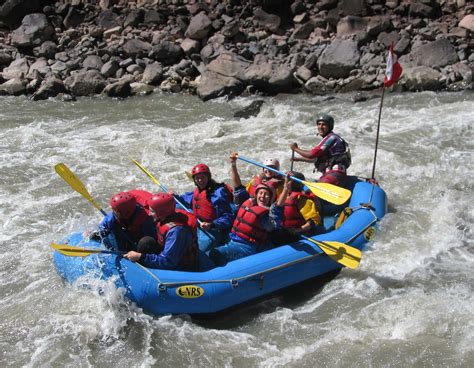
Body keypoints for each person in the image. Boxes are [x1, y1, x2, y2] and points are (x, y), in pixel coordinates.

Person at [209, 153, 291, 266]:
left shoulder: (266, 215)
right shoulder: (249, 200)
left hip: (248, 246)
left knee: (214, 254)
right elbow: (238, 185)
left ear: (271, 198)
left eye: (266, 195)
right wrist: (233, 164)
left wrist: (286, 188)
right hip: (234, 238)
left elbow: (277, 209)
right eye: (260, 194)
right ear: (256, 195)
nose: (263, 196)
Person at [124, 193, 199, 270]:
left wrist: (140, 257)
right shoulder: (165, 217)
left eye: (152, 211)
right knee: (145, 243)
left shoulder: (176, 232)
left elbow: (168, 261)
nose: (149, 214)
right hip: (169, 252)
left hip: (180, 264)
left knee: (144, 248)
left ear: (162, 212)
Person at [175, 163, 235, 253]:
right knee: (177, 206)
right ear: (194, 180)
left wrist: (212, 225)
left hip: (213, 230)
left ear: (208, 177)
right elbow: (184, 199)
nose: (200, 180)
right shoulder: (197, 191)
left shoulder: (217, 194)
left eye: (202, 177)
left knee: (197, 251)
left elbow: (227, 217)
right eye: (197, 178)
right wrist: (174, 196)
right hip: (199, 224)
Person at [290, 114, 351, 186]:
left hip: (334, 174)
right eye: (319, 124)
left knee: (312, 193)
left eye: (324, 125)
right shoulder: (331, 139)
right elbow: (316, 158)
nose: (320, 127)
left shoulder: (331, 138)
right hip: (332, 174)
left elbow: (311, 155)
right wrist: (298, 159)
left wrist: (295, 149)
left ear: (330, 126)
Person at [273, 171, 324, 245]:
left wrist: (299, 230)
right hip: (285, 231)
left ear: (295, 184)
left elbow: (313, 220)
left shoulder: (301, 199)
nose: (285, 183)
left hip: (299, 234)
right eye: (285, 181)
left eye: (288, 181)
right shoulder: (283, 195)